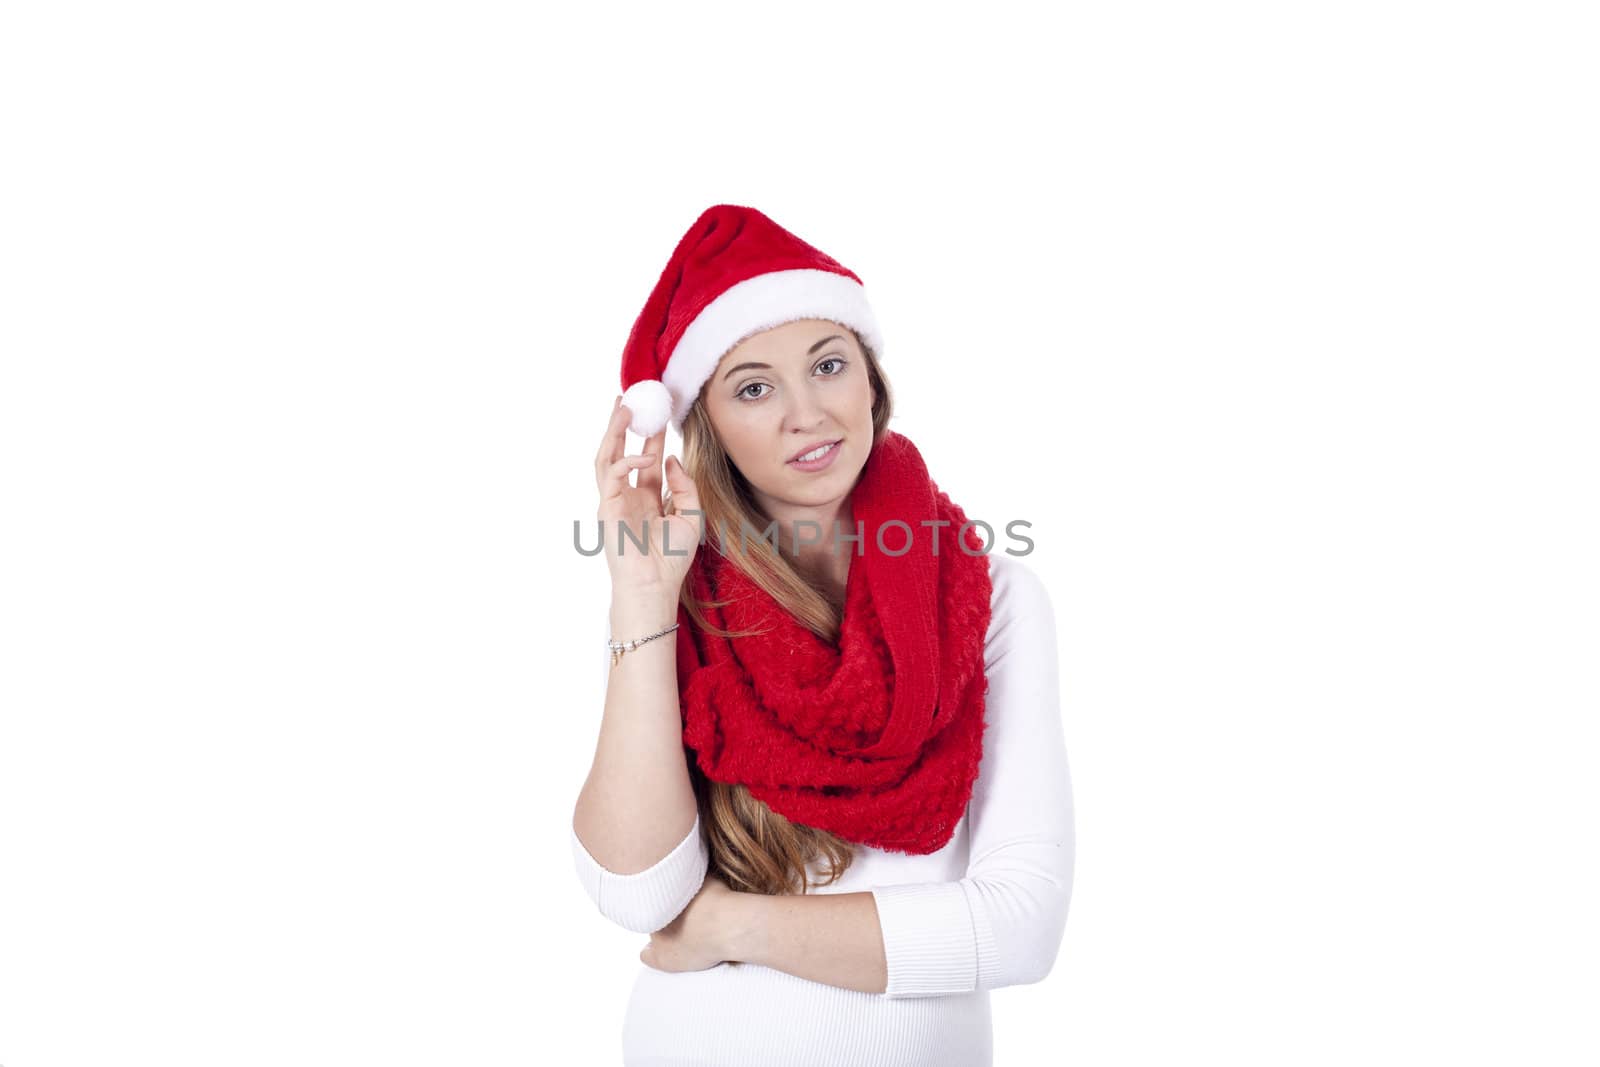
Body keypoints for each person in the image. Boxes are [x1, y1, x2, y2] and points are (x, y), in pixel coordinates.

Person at [571, 203, 1074, 1066]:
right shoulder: (677, 600)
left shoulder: (993, 597)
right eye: (755, 386)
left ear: (871, 382)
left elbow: (1020, 924)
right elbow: (637, 890)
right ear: (708, 429)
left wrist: (733, 923)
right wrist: (642, 599)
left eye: (829, 365)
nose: (808, 413)